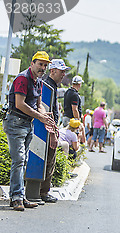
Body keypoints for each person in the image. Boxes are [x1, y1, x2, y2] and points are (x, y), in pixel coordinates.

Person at [3, 51, 55, 211]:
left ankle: (20, 196)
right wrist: (40, 116)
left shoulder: (38, 81)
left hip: (27, 124)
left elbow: (37, 103)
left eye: (45, 65)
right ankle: (17, 197)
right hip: (15, 122)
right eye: (40, 64)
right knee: (19, 160)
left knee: (23, 160)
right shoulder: (22, 78)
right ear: (32, 63)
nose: (43, 68)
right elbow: (20, 104)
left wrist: (43, 114)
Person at [38, 58, 71, 204]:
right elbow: (48, 112)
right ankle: (43, 192)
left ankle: (42, 190)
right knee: (49, 160)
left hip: (48, 129)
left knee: (49, 160)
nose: (63, 74)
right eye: (61, 71)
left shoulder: (51, 86)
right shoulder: (47, 86)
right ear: (53, 71)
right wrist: (52, 133)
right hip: (46, 130)